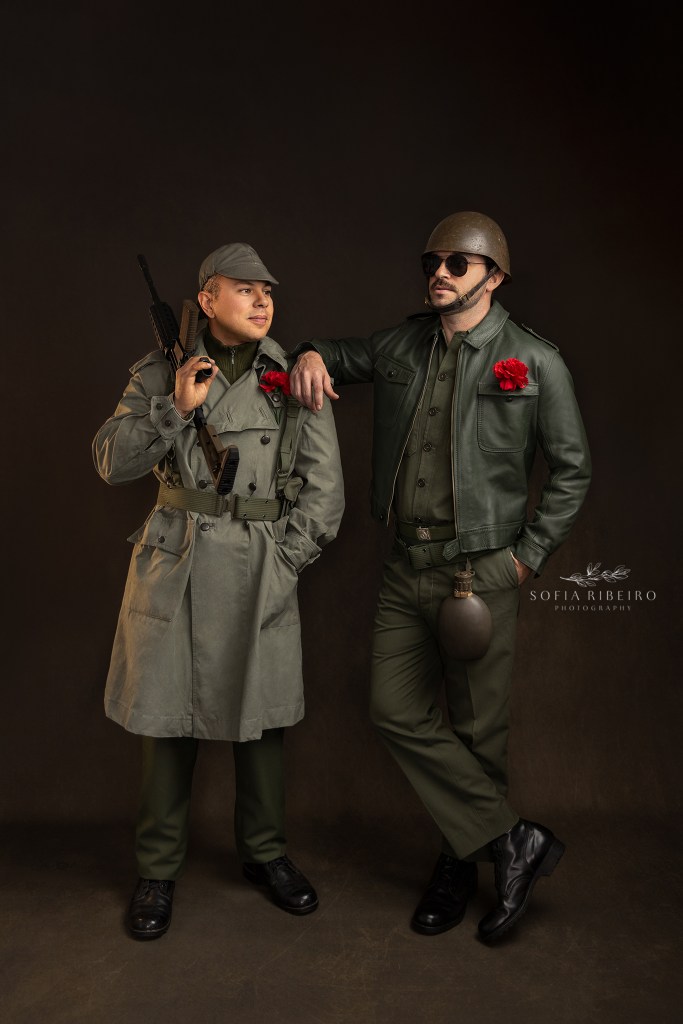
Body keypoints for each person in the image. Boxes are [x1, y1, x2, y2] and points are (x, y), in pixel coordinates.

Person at [289, 212, 591, 944]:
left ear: (494, 276)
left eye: (459, 263)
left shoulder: (532, 361)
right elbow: (337, 353)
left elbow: (571, 471)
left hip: (483, 569)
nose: (441, 273)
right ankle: (509, 839)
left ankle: (460, 865)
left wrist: (526, 558)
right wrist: (304, 354)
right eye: (433, 260)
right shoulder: (401, 343)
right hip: (405, 564)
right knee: (393, 709)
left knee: (480, 731)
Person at [93, 242, 344, 940]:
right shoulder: (159, 373)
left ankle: (265, 855)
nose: (263, 301)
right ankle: (156, 869)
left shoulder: (292, 376)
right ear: (207, 300)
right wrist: (173, 407)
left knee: (260, 721)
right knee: (166, 723)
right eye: (245, 289)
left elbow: (323, 495)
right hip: (176, 560)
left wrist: (283, 559)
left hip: (258, 561)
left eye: (269, 291)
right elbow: (111, 462)